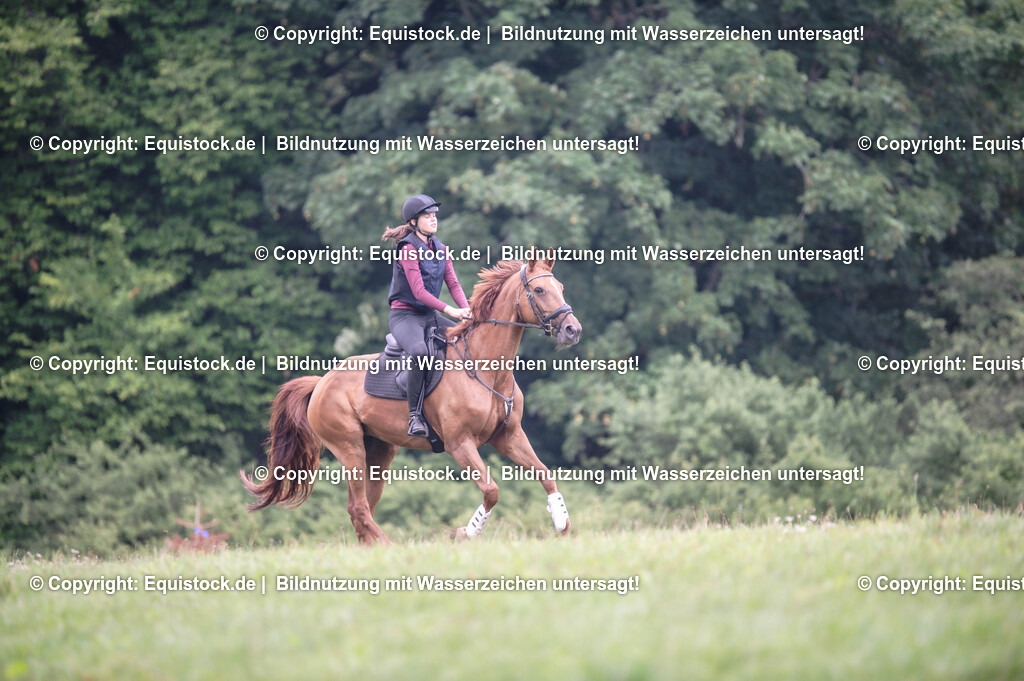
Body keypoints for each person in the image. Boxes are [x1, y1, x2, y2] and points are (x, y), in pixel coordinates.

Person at [382, 194, 471, 436]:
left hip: (428, 316)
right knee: (420, 353)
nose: (433, 219)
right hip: (404, 316)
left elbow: (453, 283)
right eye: (427, 216)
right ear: (413, 222)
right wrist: (450, 310)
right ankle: (414, 416)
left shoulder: (441, 248)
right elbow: (419, 292)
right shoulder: (408, 249)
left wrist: (467, 310)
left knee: (466, 337)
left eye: (434, 215)